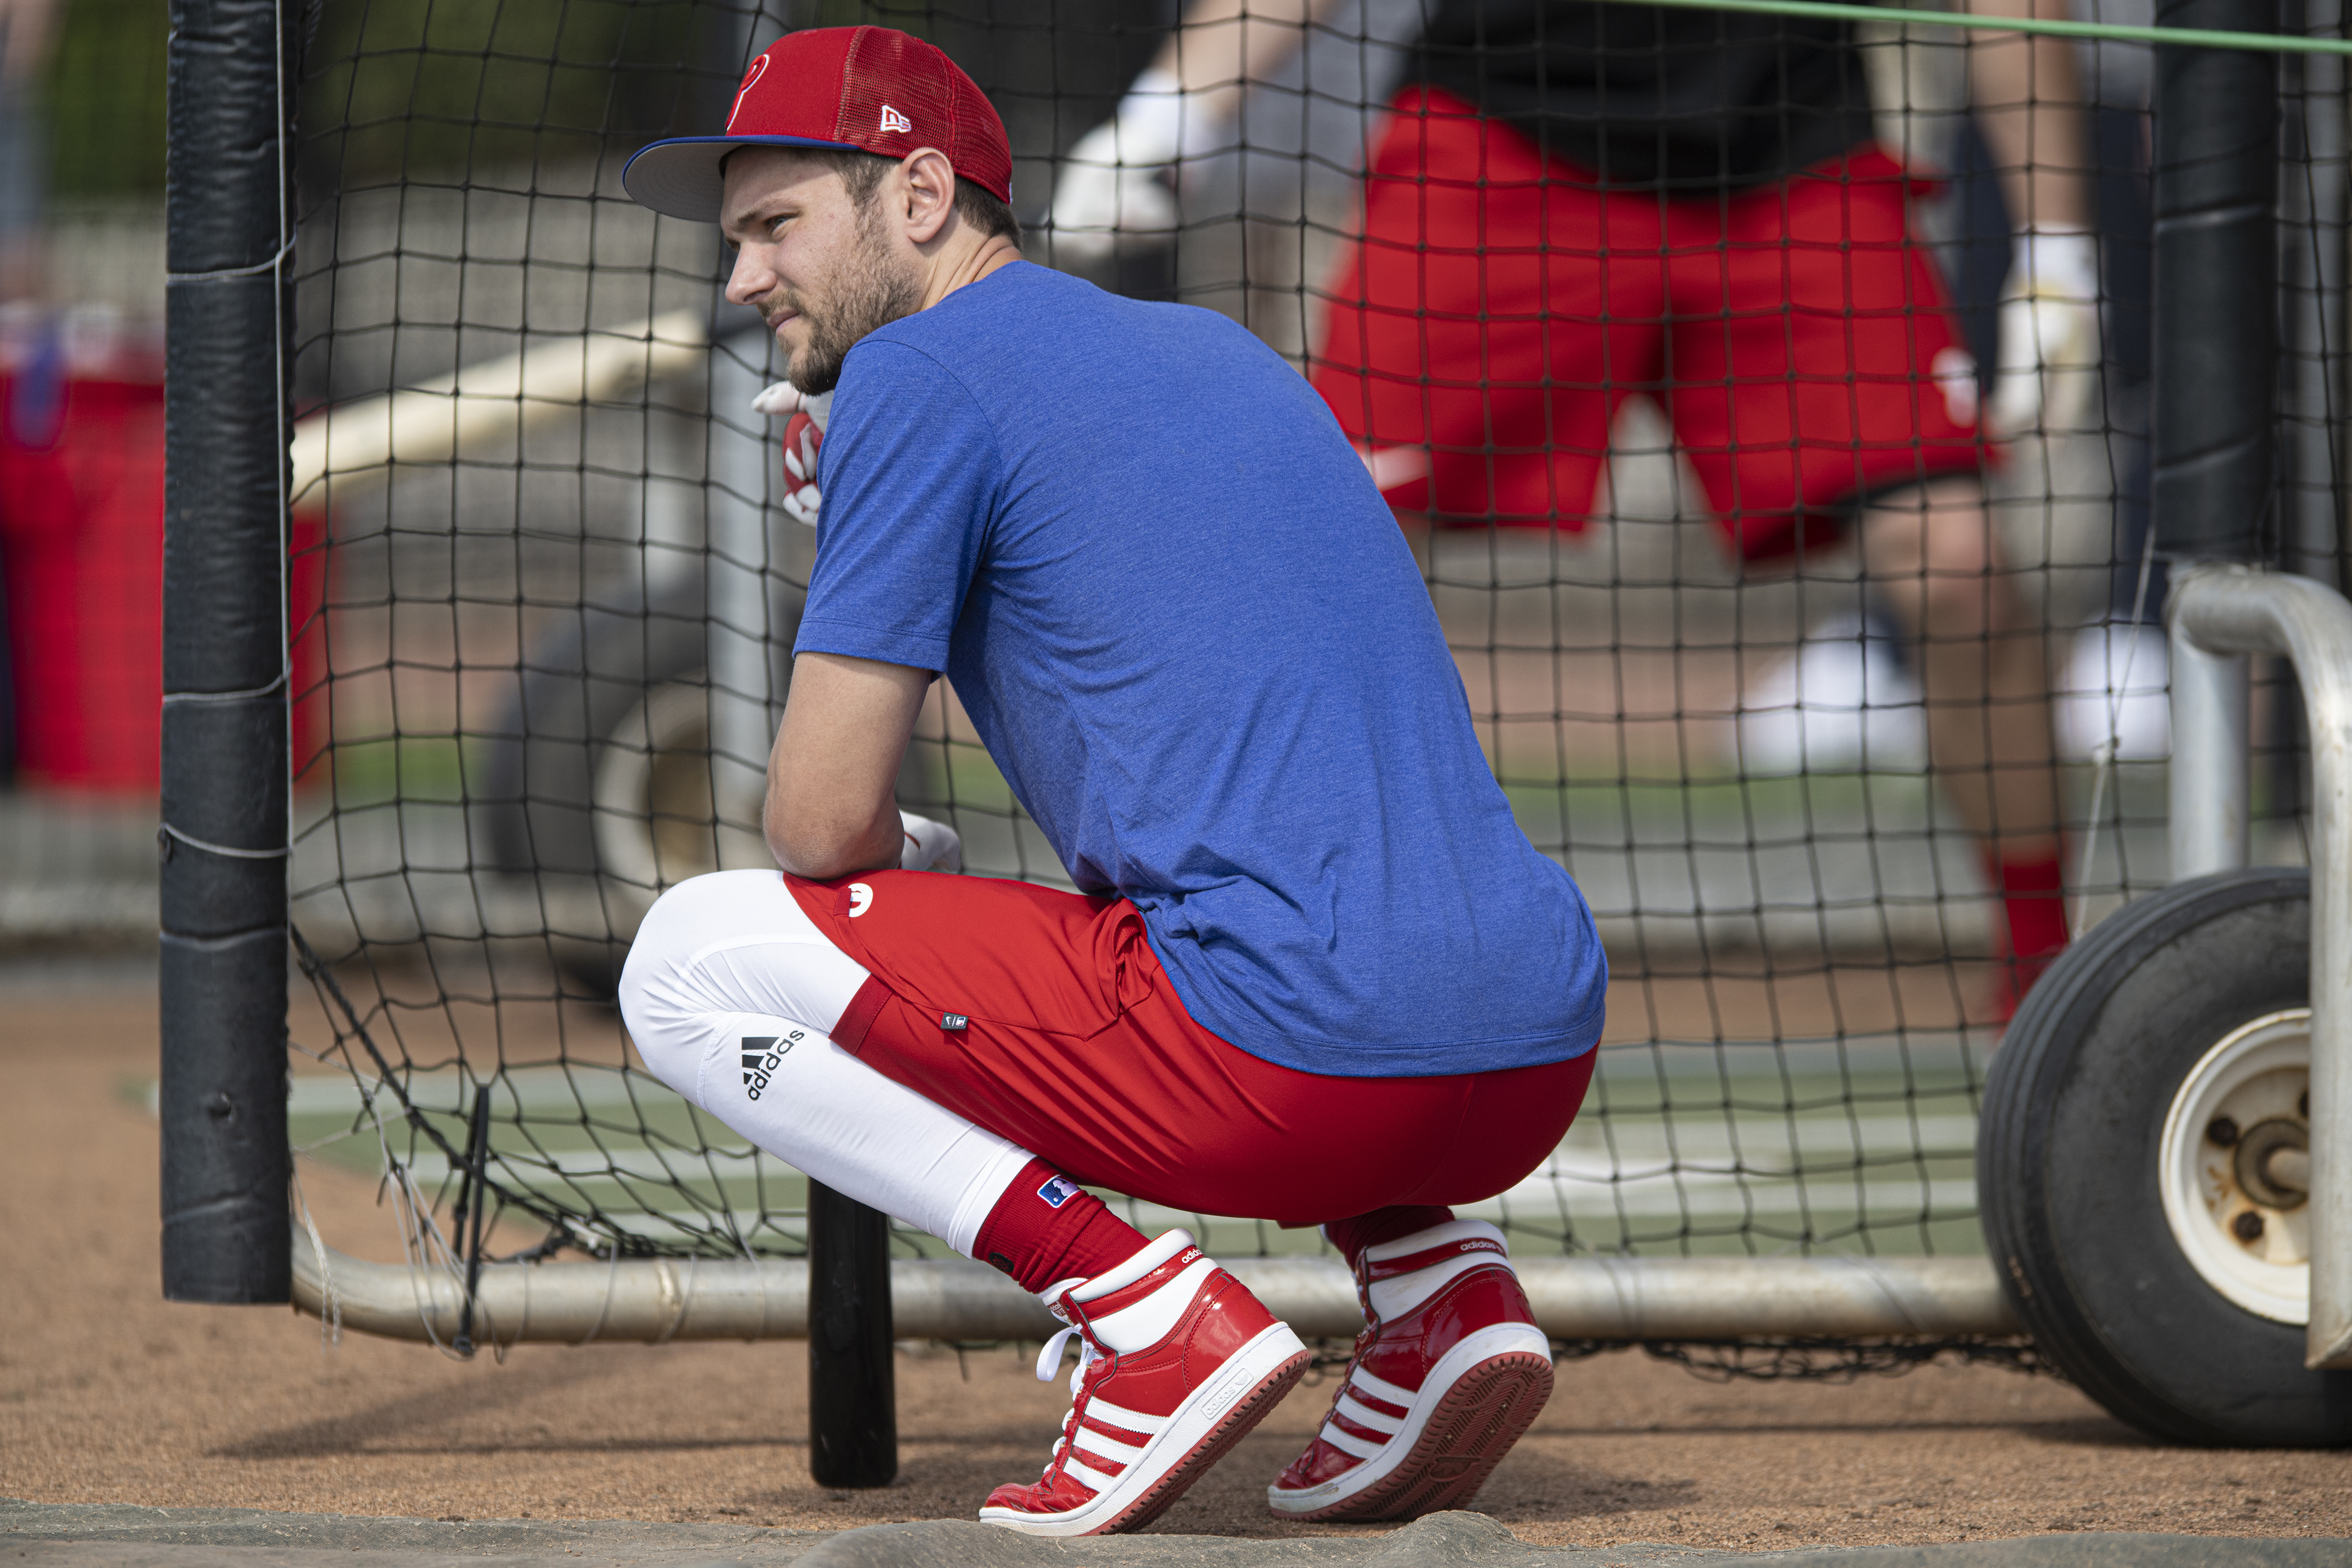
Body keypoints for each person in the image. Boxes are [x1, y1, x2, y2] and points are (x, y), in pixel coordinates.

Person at [616, 24, 1610, 1537]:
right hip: (1531, 1047)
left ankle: (1140, 1309)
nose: (744, 278)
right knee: (1245, 872)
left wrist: (870, 517)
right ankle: (1436, 1285)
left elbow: (818, 824)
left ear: (923, 194)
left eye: (776, 226)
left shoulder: (915, 378)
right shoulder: (1216, 344)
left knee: (684, 964)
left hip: (1291, 1072)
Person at [1055, 0, 2101, 1008]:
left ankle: (2050, 972)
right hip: (1505, 139)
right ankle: (1237, 961)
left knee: (1959, 563)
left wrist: (2060, 247)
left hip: (1792, 150)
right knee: (1322, 548)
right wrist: (1172, 109)